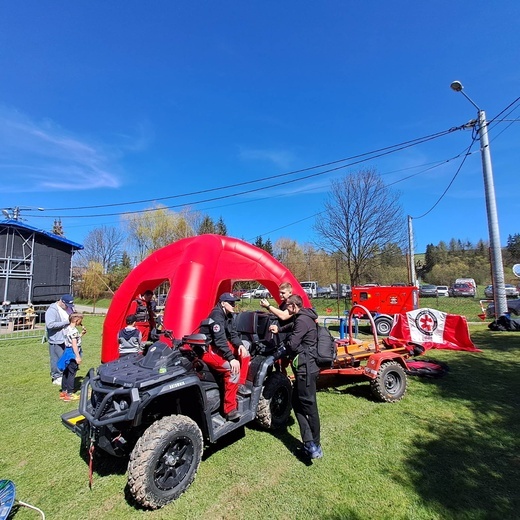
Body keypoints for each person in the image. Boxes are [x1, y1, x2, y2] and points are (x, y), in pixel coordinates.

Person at [269, 294, 323, 459]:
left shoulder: (301, 319)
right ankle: (309, 441)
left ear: (293, 306)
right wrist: (280, 329)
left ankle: (314, 444)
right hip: (308, 367)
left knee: (308, 405)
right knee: (297, 401)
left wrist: (279, 352)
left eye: (287, 306)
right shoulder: (305, 316)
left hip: (306, 368)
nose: (286, 309)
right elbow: (292, 326)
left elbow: (292, 343)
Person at [200, 292, 249, 421]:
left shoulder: (229, 315)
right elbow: (219, 339)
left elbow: (233, 334)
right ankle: (230, 409)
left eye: (234, 302)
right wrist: (231, 358)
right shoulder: (216, 315)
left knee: (245, 354)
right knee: (232, 370)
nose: (234, 305)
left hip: (219, 346)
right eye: (231, 303)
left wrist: (240, 345)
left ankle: (240, 384)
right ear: (223, 303)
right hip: (208, 348)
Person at [45, 294, 75, 385]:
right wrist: (66, 322)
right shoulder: (52, 310)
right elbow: (50, 325)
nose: (67, 307)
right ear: (61, 301)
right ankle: (56, 376)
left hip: (67, 338)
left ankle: (64, 375)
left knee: (65, 357)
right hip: (56, 339)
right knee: (57, 358)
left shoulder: (69, 308)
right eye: (66, 305)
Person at [59, 312, 86, 402]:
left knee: (66, 372)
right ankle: (70, 393)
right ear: (76, 320)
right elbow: (74, 344)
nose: (81, 322)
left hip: (66, 351)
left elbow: (71, 339)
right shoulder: (74, 331)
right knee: (72, 372)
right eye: (80, 320)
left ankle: (63, 391)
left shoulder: (67, 328)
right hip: (72, 353)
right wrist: (77, 357)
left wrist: (81, 334)